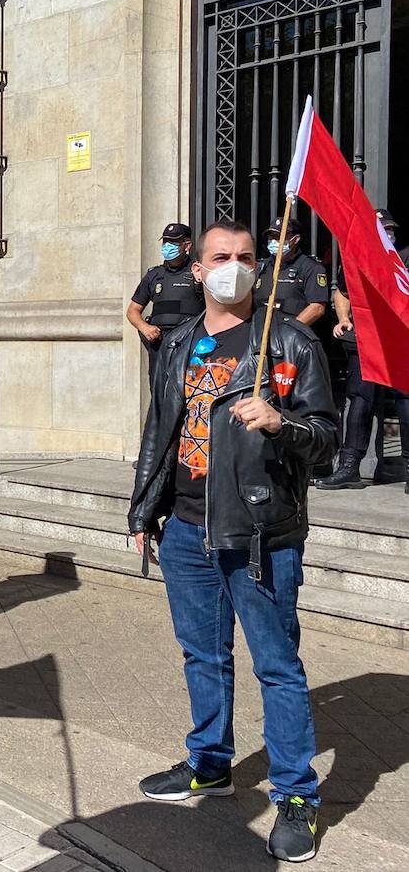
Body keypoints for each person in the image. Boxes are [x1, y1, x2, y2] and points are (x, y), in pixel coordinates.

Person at [129, 220, 336, 863]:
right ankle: (210, 763)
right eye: (221, 256)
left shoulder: (293, 343)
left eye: (247, 257)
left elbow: (326, 440)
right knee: (203, 655)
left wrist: (282, 424)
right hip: (187, 529)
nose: (235, 265)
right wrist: (145, 509)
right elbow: (160, 431)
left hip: (259, 534)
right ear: (197, 269)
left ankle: (297, 795)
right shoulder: (179, 342)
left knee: (276, 665)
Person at [317, 209, 409, 490]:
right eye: (382, 231)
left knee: (405, 403)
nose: (387, 235)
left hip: (400, 338)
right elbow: (342, 293)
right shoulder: (357, 259)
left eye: (389, 230)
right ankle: (349, 467)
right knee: (360, 401)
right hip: (366, 338)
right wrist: (343, 319)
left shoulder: (405, 256)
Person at [127, 223, 206, 383]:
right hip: (160, 345)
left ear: (187, 245)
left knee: (191, 387)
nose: (167, 246)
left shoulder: (198, 272)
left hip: (190, 346)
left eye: (174, 242)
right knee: (159, 391)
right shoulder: (154, 275)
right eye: (165, 242)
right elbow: (132, 311)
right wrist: (145, 327)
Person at [253, 215, 330, 328]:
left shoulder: (310, 268)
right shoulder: (261, 266)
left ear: (295, 239)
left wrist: (287, 330)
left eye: (279, 237)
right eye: (271, 236)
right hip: (259, 333)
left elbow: (317, 308)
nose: (274, 241)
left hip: (292, 337)